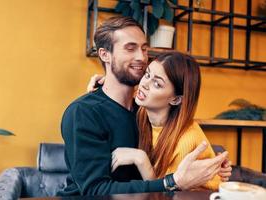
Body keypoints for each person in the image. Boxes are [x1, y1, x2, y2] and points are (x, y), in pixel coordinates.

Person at [59, 16, 230, 196]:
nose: (141, 57)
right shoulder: (84, 113)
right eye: (130, 48)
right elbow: (95, 191)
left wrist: (216, 167)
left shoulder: (146, 109)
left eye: (144, 48)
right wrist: (171, 182)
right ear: (104, 54)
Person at [106, 51, 229, 190]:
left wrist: (140, 159)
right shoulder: (143, 112)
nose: (144, 84)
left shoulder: (186, 140)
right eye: (147, 74)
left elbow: (164, 192)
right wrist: (101, 85)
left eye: (157, 84)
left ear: (175, 99)